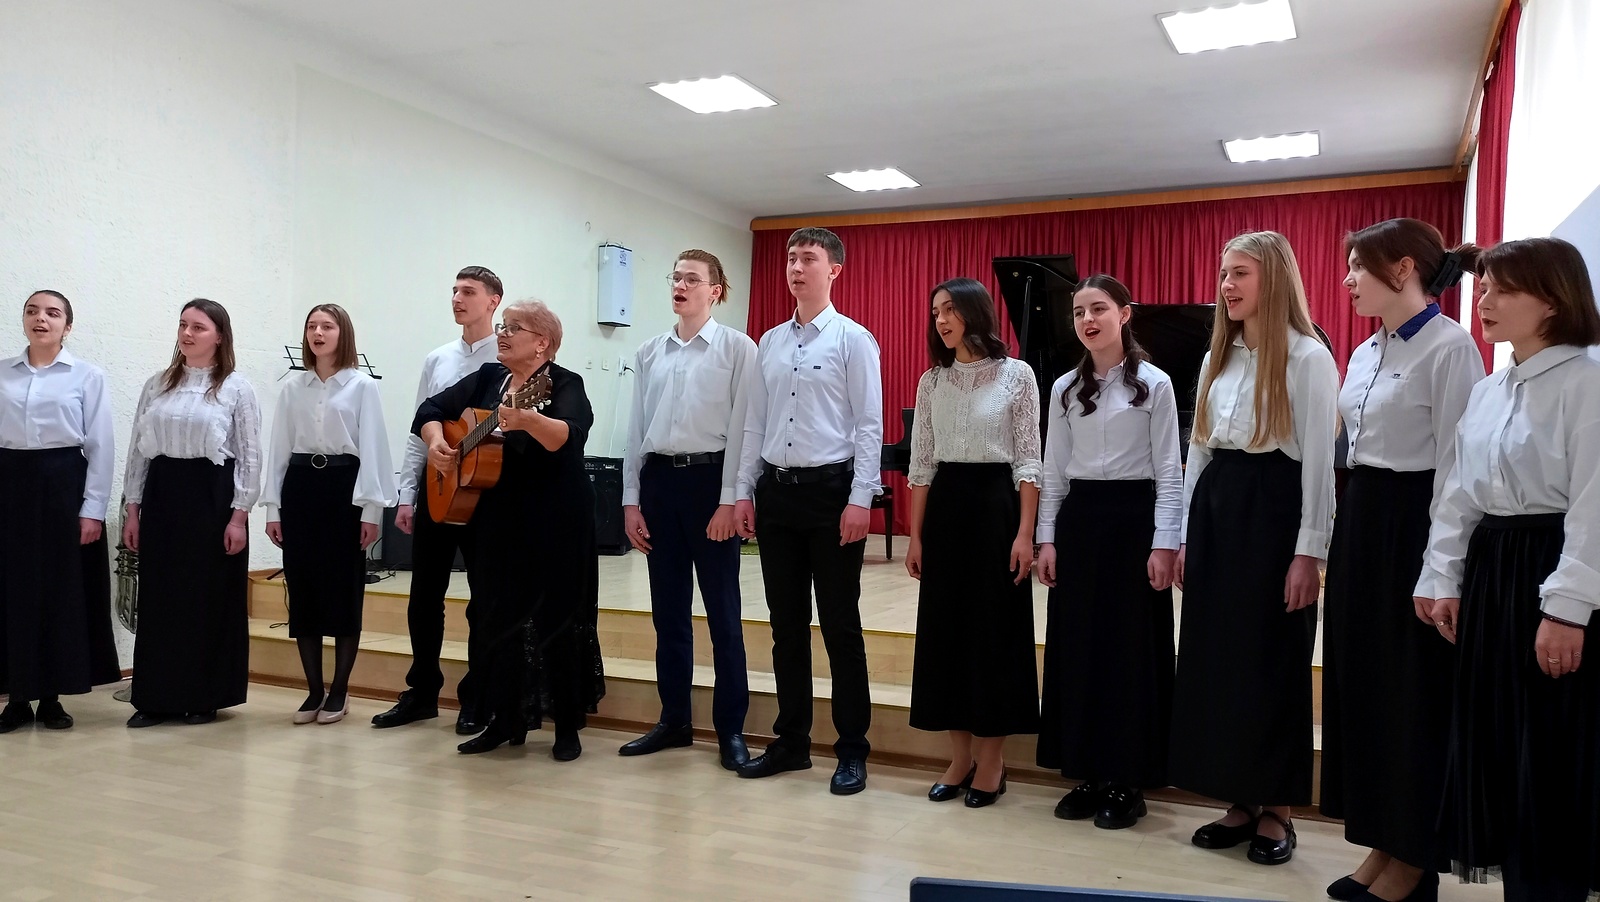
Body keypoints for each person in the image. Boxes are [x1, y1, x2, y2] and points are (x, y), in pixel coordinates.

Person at [1414, 237, 1600, 902]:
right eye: (1484, 286)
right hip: (1493, 570)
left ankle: (1549, 888)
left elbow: (1593, 505)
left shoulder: (1586, 385)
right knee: (1496, 742)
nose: (1483, 301)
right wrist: (1441, 578)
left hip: (1551, 571)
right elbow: (1459, 493)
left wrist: (1567, 609)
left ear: (1552, 300)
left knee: (1548, 750)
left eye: (1502, 289)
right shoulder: (1491, 390)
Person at [1319, 220, 1484, 902]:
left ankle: (1415, 859)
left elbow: (1457, 469)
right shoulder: (1364, 351)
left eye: (1359, 267)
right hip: (1363, 519)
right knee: (1366, 688)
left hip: (1415, 522)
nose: (1348, 280)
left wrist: (1440, 568)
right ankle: (1382, 842)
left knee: (1412, 697)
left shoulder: (1450, 348)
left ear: (1404, 268)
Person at [1169, 231, 1339, 865]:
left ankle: (1279, 808)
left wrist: (1309, 553)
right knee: (1220, 658)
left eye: (1239, 273)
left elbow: (1319, 463)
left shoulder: (1308, 356)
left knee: (1272, 658)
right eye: (1224, 273)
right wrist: (1185, 535)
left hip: (1274, 512)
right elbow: (1199, 449)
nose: (1226, 285)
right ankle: (1240, 798)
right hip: (1219, 508)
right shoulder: (1220, 356)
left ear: (1274, 277)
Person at [415, 300, 605, 757]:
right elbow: (430, 409)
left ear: (542, 343)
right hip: (499, 515)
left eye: (513, 327)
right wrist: (438, 442)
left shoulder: (563, 383)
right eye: (503, 326)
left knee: (558, 616)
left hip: (557, 516)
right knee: (496, 616)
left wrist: (528, 420)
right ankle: (504, 719)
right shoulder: (488, 378)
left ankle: (566, 728)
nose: (502, 334)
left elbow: (570, 436)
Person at [734, 226, 884, 795]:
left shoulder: (853, 340)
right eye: (791, 258)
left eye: (809, 259)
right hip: (777, 495)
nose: (796, 268)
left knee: (841, 627)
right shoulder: (770, 342)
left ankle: (852, 750)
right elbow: (755, 424)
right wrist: (744, 490)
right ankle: (792, 741)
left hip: (831, 494)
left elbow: (868, 425)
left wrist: (861, 498)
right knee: (786, 627)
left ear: (834, 270)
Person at [1035, 275, 1182, 829]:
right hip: (1080, 522)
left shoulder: (1156, 385)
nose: (1087, 320)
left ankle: (1127, 778)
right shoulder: (1064, 389)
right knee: (1078, 649)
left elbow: (1169, 471)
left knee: (1129, 652)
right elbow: (1053, 471)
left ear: (1124, 314)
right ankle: (1087, 771)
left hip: (1133, 522)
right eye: (1078, 312)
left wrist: (1164, 542)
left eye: (1098, 309)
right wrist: (1048, 538)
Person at [904, 277, 1041, 808]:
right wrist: (915, 536)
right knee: (946, 636)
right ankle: (959, 758)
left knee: (994, 635)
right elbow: (922, 464)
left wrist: (1025, 533)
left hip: (996, 510)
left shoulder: (1017, 375)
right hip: (946, 511)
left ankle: (992, 761)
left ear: (975, 312)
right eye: (935, 310)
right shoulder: (932, 381)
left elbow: (1028, 460)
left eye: (950, 309)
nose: (940, 319)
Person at [619, 249, 757, 770]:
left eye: (692, 279)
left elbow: (744, 430)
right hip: (659, 484)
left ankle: (730, 729)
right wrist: (631, 500)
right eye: (675, 277)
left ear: (715, 290)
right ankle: (674, 720)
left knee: (723, 614)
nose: (680, 285)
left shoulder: (737, 348)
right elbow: (636, 429)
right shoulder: (649, 352)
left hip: (709, 482)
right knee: (668, 613)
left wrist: (729, 499)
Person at [372, 266, 502, 734]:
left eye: (468, 291)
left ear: (493, 301)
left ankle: (477, 695)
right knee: (424, 594)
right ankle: (422, 692)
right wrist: (407, 494)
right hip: (438, 487)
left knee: (484, 598)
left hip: (486, 492)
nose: (457, 299)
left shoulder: (508, 357)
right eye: (454, 291)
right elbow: (420, 427)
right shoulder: (438, 358)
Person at [122, 298, 262, 727]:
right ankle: (155, 698)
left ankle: (205, 696)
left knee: (207, 597)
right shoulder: (158, 384)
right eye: (183, 325)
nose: (187, 333)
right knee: (161, 596)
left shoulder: (236, 388)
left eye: (198, 327)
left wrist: (239, 516)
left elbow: (250, 456)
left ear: (219, 336)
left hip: (212, 498)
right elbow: (138, 452)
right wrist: (132, 509)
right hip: (164, 494)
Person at [262, 304, 397, 726]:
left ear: (343, 334)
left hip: (344, 490)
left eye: (327, 326)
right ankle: (313, 691)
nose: (317, 333)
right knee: (303, 588)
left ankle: (339, 690)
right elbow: (279, 449)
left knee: (342, 590)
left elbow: (373, 448)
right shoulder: (293, 388)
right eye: (311, 326)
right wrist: (273, 508)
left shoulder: (361, 386)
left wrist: (371, 510)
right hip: (301, 488)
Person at [0, 290, 120, 733]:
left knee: (58, 590)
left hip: (63, 487)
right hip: (9, 486)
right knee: (12, 590)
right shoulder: (2, 373)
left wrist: (92, 510)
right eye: (32, 311)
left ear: (67, 326)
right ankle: (16, 697)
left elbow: (101, 445)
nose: (41, 319)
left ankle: (51, 696)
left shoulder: (87, 375)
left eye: (52, 313)